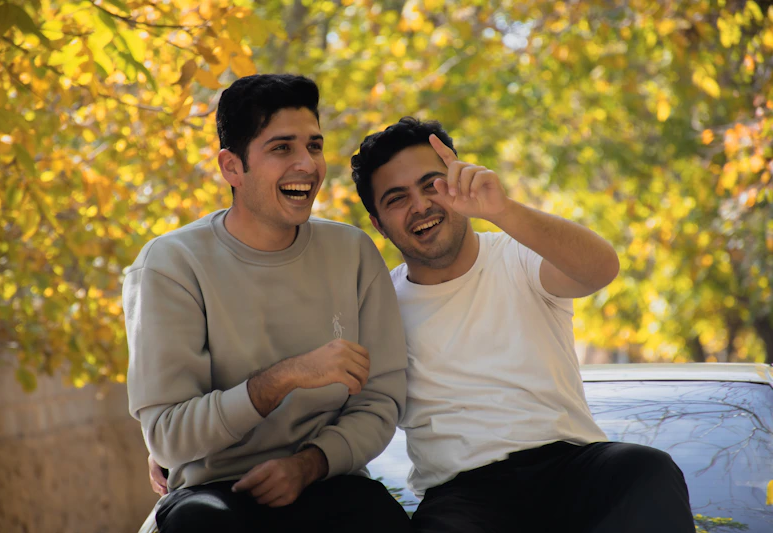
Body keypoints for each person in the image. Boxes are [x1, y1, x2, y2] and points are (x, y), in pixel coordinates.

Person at [348, 117, 695, 533]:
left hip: (572, 467)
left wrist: (502, 210)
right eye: (396, 198)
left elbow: (602, 269)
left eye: (432, 184)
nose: (420, 205)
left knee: (647, 468)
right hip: (463, 496)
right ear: (378, 223)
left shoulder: (519, 255)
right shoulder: (378, 305)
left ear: (457, 182)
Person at [123, 74, 411, 533]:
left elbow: (380, 401)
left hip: (330, 482)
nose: (307, 164)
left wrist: (309, 464)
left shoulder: (352, 253)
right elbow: (168, 436)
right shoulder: (170, 265)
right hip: (213, 494)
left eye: (314, 146)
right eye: (282, 148)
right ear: (232, 167)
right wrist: (284, 378)